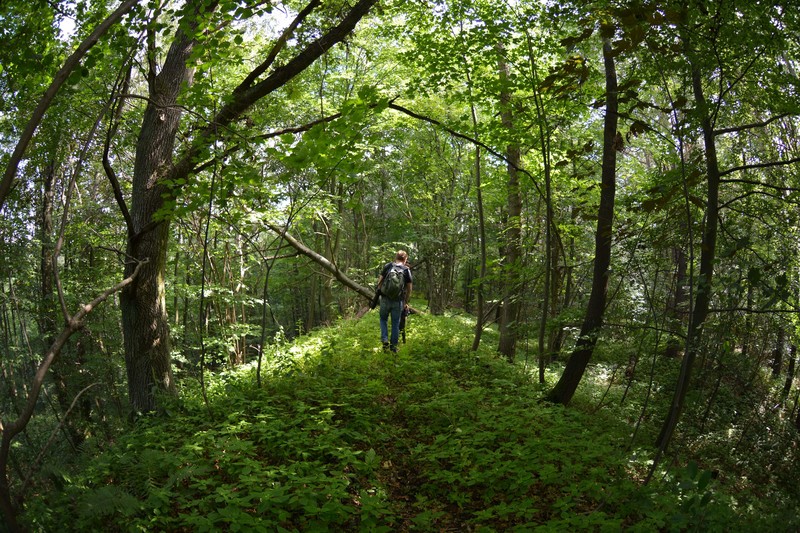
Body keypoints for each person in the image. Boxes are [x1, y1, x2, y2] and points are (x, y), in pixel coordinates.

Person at [376, 250, 412, 353]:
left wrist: (380, 293)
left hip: (385, 299)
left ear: (396, 257)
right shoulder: (406, 270)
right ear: (405, 259)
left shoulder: (388, 266)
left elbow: (380, 281)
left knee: (383, 319)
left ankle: (385, 339)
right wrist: (406, 302)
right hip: (398, 301)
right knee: (395, 323)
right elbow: (409, 288)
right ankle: (393, 348)